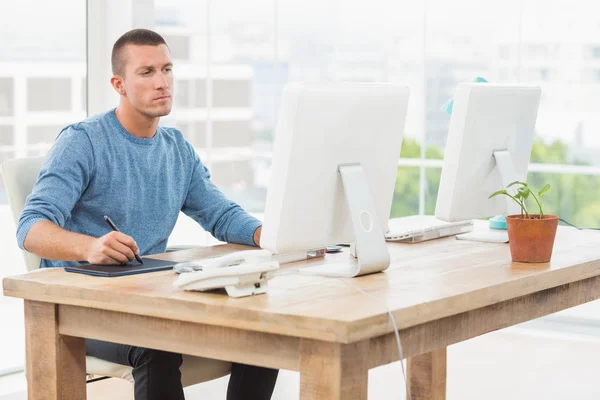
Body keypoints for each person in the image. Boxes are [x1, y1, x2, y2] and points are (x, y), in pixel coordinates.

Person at [16, 28, 278, 400]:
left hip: (149, 299)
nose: (162, 82)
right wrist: (91, 247)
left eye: (167, 69)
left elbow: (219, 214)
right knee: (156, 348)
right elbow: (30, 229)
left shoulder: (176, 148)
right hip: (82, 309)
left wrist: (269, 234)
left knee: (266, 332)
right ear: (119, 84)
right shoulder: (82, 141)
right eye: (147, 72)